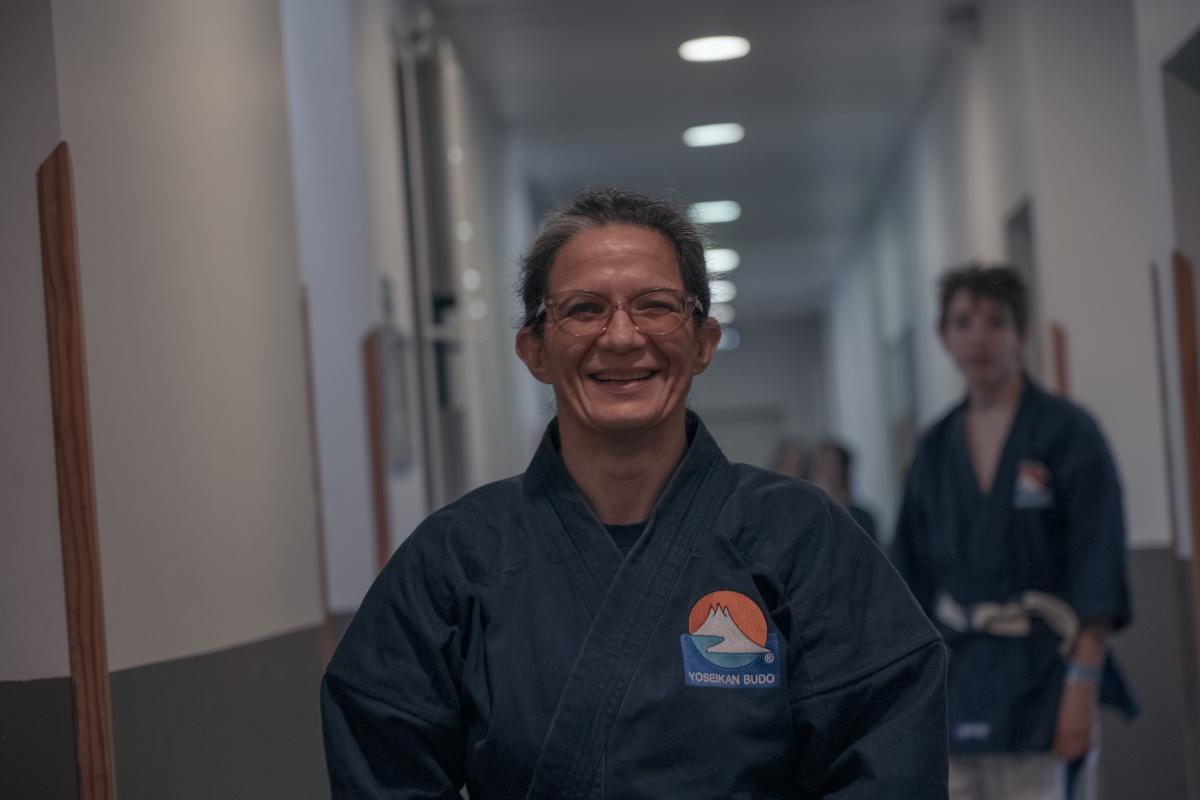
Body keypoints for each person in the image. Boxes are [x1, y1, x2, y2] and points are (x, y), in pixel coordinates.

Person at [321, 188, 949, 798]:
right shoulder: (457, 554)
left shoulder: (798, 534)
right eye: (583, 309)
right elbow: (381, 753)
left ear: (702, 342)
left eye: (655, 306)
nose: (621, 337)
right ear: (534, 351)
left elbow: (888, 747)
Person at [890, 265, 1136, 800]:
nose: (978, 337)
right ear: (944, 337)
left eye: (995, 321)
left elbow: (1098, 564)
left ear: (1021, 336)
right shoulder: (934, 448)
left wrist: (1083, 684)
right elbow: (908, 577)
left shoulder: (1068, 432)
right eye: (963, 322)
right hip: (960, 672)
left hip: (1046, 671)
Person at [809, 440, 878, 543]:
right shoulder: (810, 518)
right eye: (824, 467)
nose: (829, 474)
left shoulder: (864, 518)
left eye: (834, 467)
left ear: (844, 470)